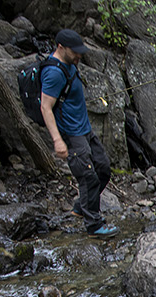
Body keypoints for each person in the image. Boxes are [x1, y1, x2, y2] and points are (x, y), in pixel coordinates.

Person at [40, 29, 117, 237]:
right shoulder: (53, 73)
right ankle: (94, 225)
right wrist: (58, 141)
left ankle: (81, 207)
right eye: (75, 52)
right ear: (61, 48)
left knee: (103, 169)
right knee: (88, 177)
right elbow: (45, 108)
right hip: (70, 134)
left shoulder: (70, 64)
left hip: (84, 129)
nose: (79, 56)